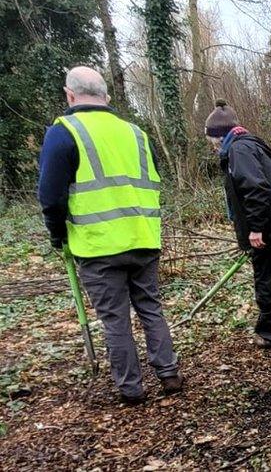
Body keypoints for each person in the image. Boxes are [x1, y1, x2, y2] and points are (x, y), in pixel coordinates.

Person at [38, 66, 182, 404]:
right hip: (143, 237)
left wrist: (57, 235)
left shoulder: (64, 133)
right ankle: (169, 373)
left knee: (115, 319)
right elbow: (154, 181)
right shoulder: (136, 133)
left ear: (69, 95)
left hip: (98, 244)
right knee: (151, 308)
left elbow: (50, 195)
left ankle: (131, 389)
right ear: (107, 96)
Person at [205, 99, 271, 348]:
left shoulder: (239, 150)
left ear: (219, 136)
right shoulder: (248, 146)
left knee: (268, 279)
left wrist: (256, 228)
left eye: (211, 140)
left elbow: (254, 187)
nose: (212, 146)